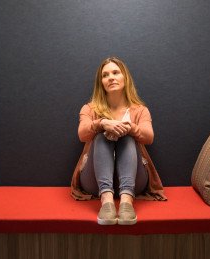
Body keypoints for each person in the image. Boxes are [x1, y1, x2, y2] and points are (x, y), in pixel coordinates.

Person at [71, 57, 167, 225]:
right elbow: (82, 134)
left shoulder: (140, 110)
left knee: (127, 137)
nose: (111, 78)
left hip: (134, 181)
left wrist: (130, 128)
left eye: (116, 72)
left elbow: (149, 137)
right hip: (94, 181)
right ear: (101, 82)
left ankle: (126, 203)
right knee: (101, 135)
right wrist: (101, 123)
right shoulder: (89, 108)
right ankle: (106, 201)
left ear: (125, 78)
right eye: (105, 75)